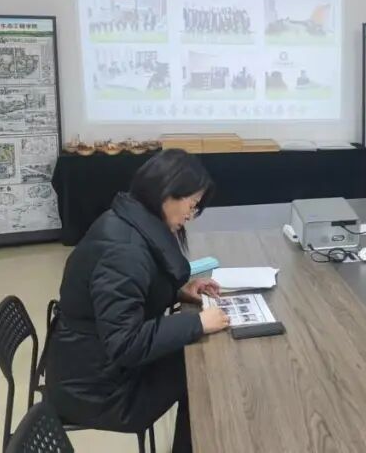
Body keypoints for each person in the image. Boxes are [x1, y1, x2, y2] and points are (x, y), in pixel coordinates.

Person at [45, 150, 230, 453]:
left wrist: (180, 292)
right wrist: (196, 322)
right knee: (202, 371)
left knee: (197, 358)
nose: (191, 215)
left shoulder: (127, 219)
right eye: (192, 204)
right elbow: (125, 342)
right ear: (167, 193)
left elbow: (129, 297)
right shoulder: (124, 251)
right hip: (96, 391)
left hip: (91, 364)